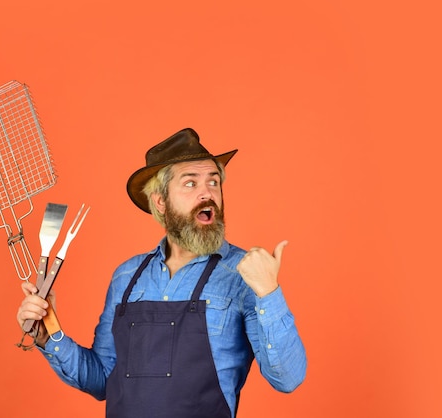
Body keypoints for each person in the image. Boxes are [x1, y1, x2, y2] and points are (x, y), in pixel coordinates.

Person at [17, 128, 307, 418]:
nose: (207, 193)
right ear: (160, 202)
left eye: (213, 182)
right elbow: (103, 379)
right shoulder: (126, 277)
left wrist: (269, 293)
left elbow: (288, 378)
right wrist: (48, 334)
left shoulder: (245, 274)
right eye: (190, 183)